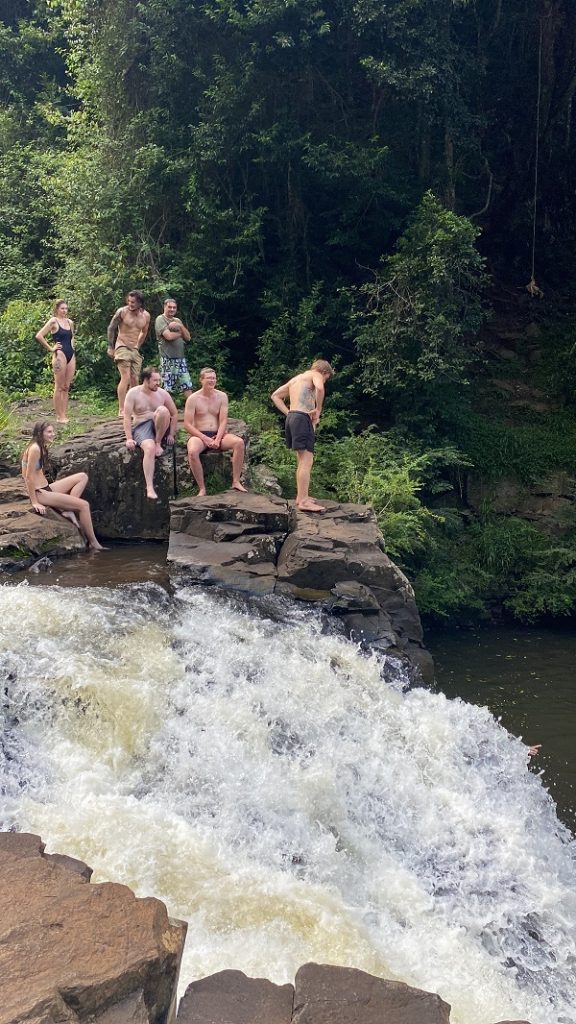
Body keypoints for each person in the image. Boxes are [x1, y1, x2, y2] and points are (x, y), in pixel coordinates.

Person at [21, 421, 105, 551]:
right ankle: (93, 543)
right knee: (84, 505)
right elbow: (28, 476)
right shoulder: (35, 449)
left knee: (82, 477)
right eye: (49, 432)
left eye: (52, 431)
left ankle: (68, 510)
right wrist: (35, 502)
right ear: (39, 433)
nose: (52, 434)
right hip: (40, 493)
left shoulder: (41, 446)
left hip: (46, 488)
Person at [270, 359, 335, 513]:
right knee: (307, 460)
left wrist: (290, 413)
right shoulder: (315, 374)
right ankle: (304, 502)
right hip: (301, 418)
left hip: (292, 418)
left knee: (301, 459)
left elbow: (275, 396)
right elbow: (319, 388)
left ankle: (301, 497)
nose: (324, 380)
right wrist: (318, 410)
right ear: (324, 372)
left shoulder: (296, 379)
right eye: (326, 378)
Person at [184, 368, 247, 496]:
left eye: (214, 378)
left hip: (218, 433)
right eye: (209, 378)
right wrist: (206, 439)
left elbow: (223, 420)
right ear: (201, 380)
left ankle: (236, 481)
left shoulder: (222, 396)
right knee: (192, 452)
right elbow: (187, 424)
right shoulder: (193, 398)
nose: (212, 381)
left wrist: (218, 439)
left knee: (239, 443)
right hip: (200, 435)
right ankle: (202, 488)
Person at [123, 366, 178, 500]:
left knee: (163, 410)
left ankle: (158, 441)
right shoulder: (133, 393)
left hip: (159, 426)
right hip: (141, 426)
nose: (158, 383)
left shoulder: (162, 393)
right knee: (150, 448)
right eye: (155, 380)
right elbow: (126, 416)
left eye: (159, 380)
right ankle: (149, 487)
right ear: (146, 380)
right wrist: (129, 438)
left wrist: (171, 434)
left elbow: (174, 413)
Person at [106, 290, 151, 416]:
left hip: (134, 348)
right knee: (125, 377)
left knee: (135, 379)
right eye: (129, 301)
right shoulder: (122, 312)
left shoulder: (146, 316)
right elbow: (111, 328)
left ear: (140, 303)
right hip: (122, 345)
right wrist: (110, 346)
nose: (130, 304)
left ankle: (134, 408)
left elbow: (144, 331)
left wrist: (138, 344)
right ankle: (122, 408)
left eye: (133, 302)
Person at [35, 300, 76, 424]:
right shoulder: (53, 321)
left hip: (70, 354)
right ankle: (59, 416)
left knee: (66, 386)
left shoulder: (70, 322)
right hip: (60, 354)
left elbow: (72, 336)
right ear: (57, 309)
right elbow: (39, 335)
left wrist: (73, 349)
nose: (65, 311)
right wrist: (51, 348)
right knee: (59, 386)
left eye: (66, 309)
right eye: (62, 308)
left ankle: (64, 414)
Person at [155, 298, 193, 399]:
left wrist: (180, 326)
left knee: (187, 385)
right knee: (166, 388)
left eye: (174, 307)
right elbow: (169, 336)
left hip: (181, 359)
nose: (172, 309)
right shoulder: (160, 319)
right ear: (164, 307)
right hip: (168, 359)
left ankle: (193, 410)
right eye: (169, 307)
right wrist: (181, 333)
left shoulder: (177, 321)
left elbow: (188, 337)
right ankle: (165, 412)